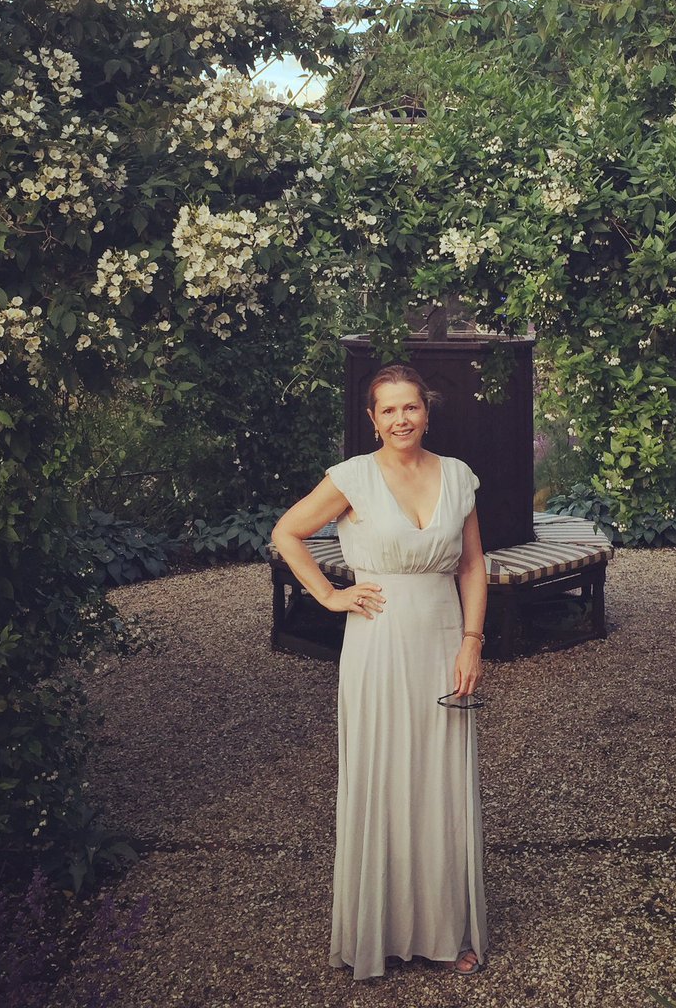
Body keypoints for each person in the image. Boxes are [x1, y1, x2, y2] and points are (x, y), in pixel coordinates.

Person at [270, 364, 488, 980]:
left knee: (440, 779)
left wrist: (472, 642)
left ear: (427, 412)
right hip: (379, 644)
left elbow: (472, 566)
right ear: (372, 420)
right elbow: (287, 532)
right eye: (388, 410)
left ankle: (444, 932)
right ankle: (380, 934)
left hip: (443, 640)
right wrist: (329, 595)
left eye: (410, 407)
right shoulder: (352, 477)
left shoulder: (458, 476)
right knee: (384, 773)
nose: (401, 420)